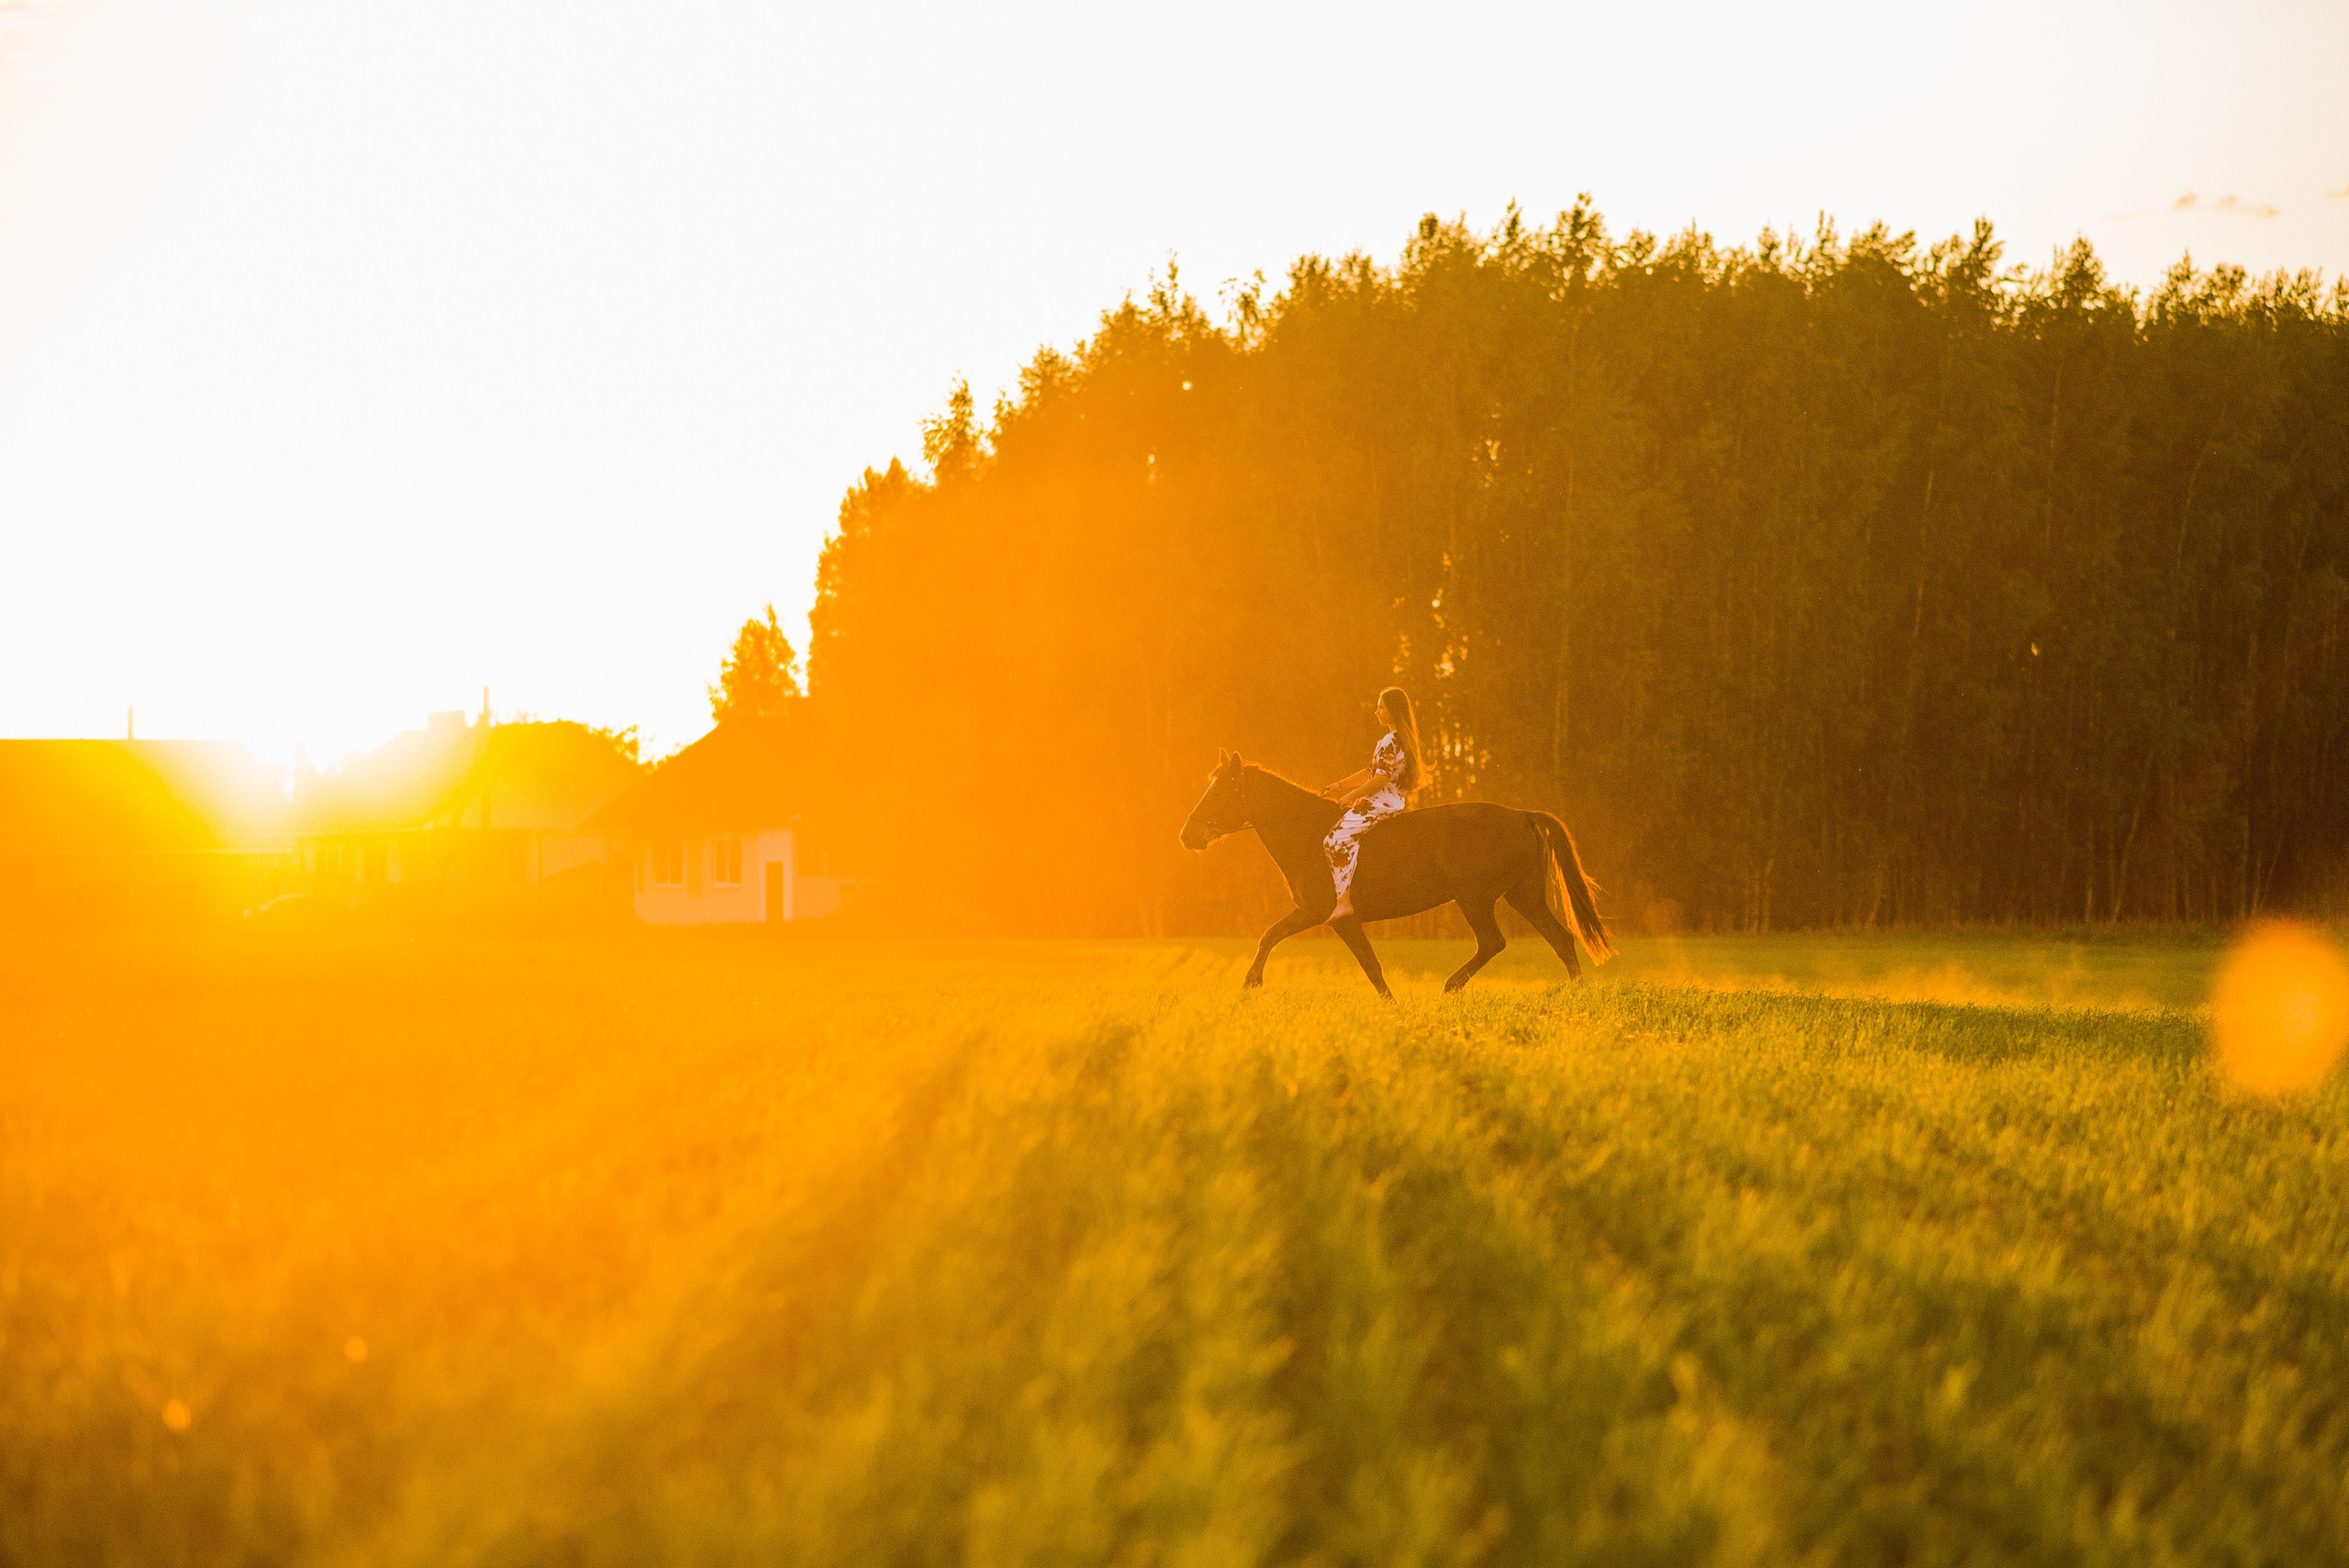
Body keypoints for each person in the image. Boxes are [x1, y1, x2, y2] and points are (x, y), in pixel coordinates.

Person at [1319, 686, 1425, 921]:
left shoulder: (1390, 740)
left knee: (1334, 840)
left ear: (1392, 711)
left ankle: (1344, 901)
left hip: (1379, 803)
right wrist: (1339, 785)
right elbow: (1371, 771)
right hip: (1391, 802)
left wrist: (1351, 796)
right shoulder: (1399, 739)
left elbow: (1380, 778)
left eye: (1381, 707)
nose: (1376, 711)